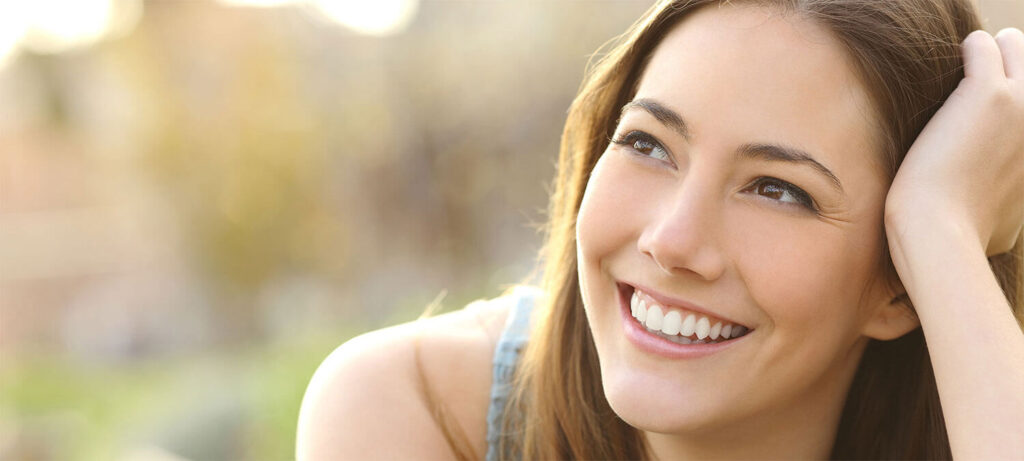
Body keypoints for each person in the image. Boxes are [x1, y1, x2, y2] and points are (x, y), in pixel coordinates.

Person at [295, 0, 1024, 459]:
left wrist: (942, 232)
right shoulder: (410, 409)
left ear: (899, 290)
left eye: (777, 189)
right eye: (646, 143)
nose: (672, 240)